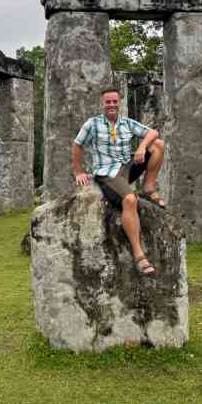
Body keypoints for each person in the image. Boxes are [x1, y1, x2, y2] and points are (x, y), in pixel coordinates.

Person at [72, 87, 166, 276]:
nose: (112, 105)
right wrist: (79, 172)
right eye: (108, 102)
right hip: (107, 173)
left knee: (158, 145)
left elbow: (153, 132)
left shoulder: (126, 123)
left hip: (126, 167)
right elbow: (77, 145)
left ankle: (149, 186)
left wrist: (141, 146)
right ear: (103, 103)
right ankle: (139, 255)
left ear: (119, 103)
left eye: (115, 101)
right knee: (130, 200)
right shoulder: (93, 124)